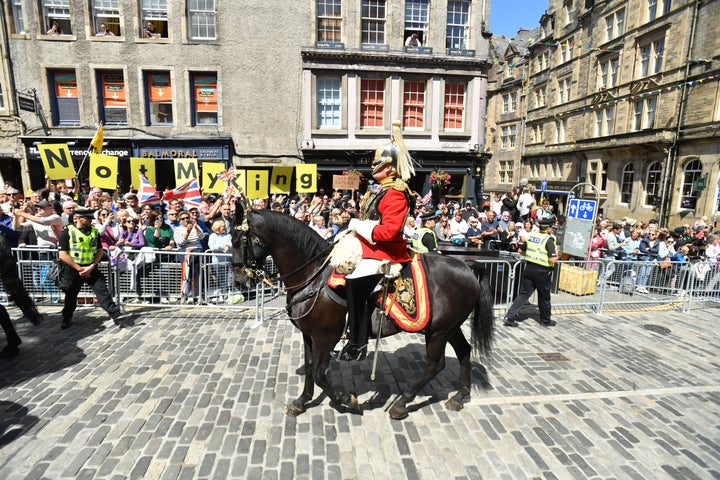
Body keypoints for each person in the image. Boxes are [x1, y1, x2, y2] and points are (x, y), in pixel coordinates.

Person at [335, 121, 415, 362]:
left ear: (390, 168)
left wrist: (359, 226)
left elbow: (389, 232)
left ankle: (358, 343)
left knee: (355, 285)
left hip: (387, 252)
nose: (373, 167)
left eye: (377, 163)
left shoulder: (396, 193)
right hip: (368, 245)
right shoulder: (379, 189)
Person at [57, 208, 133, 329]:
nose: (91, 221)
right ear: (78, 218)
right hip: (73, 270)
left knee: (103, 292)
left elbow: (99, 251)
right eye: (88, 219)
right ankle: (66, 318)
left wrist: (91, 266)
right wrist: (80, 269)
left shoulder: (94, 231)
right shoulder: (67, 232)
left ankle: (116, 316)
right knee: (70, 297)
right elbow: (62, 255)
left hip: (91, 268)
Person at [503, 217, 559, 327]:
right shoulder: (549, 239)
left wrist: (533, 256)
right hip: (542, 272)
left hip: (529, 269)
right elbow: (552, 260)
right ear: (548, 228)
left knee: (523, 295)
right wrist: (557, 254)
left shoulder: (532, 236)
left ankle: (510, 317)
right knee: (544, 297)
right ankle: (545, 320)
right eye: (551, 228)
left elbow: (520, 251)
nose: (551, 230)